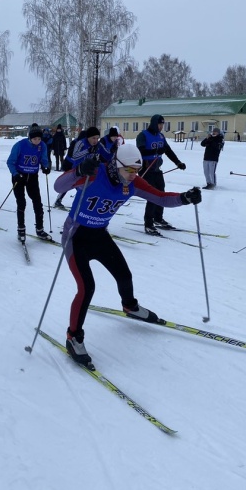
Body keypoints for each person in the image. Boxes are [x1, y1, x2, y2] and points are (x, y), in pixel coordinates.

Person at [53, 143, 202, 367]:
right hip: (76, 237)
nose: (133, 176)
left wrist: (185, 198)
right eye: (129, 170)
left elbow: (160, 198)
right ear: (116, 164)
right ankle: (74, 337)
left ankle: (130, 307)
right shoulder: (94, 174)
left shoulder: (132, 183)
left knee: (124, 275)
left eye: (136, 171)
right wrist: (78, 170)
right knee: (86, 288)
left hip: (99, 235)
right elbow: (58, 186)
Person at [136, 114, 187, 235]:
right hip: (146, 169)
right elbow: (140, 151)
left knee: (162, 194)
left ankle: (158, 218)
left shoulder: (160, 136)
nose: (161, 127)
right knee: (152, 196)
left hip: (157, 170)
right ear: (154, 123)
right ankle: (148, 223)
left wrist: (178, 162)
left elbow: (168, 150)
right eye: (159, 124)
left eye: (162, 124)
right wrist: (155, 151)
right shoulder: (143, 135)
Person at [7, 126, 52, 242]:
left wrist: (45, 167)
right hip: (19, 176)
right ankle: (21, 229)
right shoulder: (20, 145)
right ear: (30, 138)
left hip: (32, 177)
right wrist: (15, 174)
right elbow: (10, 162)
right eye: (35, 139)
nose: (37, 141)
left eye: (39, 139)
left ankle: (40, 229)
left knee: (37, 202)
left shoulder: (42, 146)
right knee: (21, 202)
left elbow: (43, 158)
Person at [53, 128, 100, 210]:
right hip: (74, 168)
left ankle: (84, 206)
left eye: (97, 138)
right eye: (93, 138)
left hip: (85, 171)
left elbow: (94, 156)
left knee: (84, 190)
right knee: (69, 185)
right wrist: (87, 151)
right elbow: (74, 155)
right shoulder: (78, 143)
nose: (95, 140)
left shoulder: (94, 145)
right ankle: (60, 201)